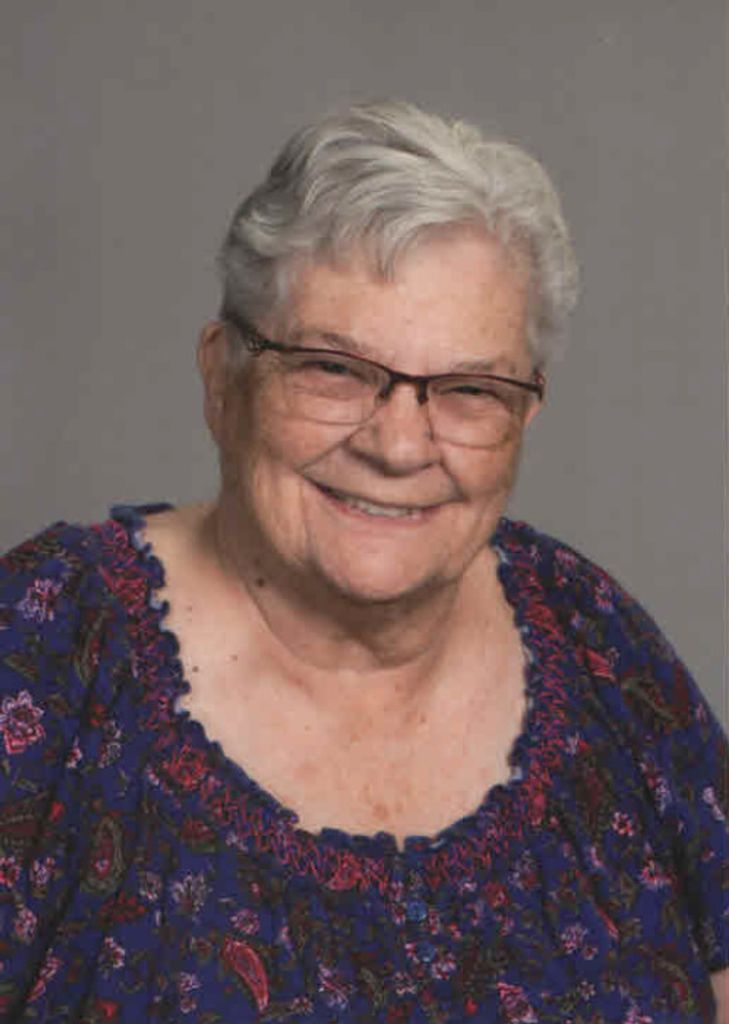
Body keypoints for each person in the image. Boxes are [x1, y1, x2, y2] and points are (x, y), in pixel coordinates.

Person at [0, 100, 726, 1023]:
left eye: (469, 389)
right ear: (223, 376)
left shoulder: (594, 641)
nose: (397, 445)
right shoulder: (46, 647)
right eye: (333, 369)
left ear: (524, 413)